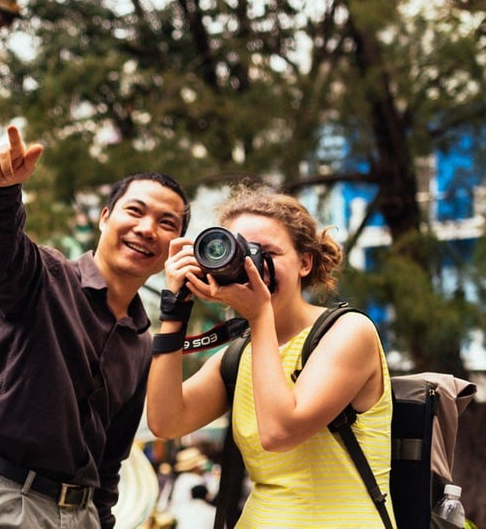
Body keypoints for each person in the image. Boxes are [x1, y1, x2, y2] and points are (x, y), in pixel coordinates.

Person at [0, 125, 191, 529]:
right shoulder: (44, 277)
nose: (146, 229)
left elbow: (109, 461)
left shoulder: (142, 343)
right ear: (105, 218)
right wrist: (2, 193)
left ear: (174, 244)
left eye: (166, 223)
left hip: (80, 515)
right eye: (135, 211)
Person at [146, 184, 395, 527]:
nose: (252, 266)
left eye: (267, 253)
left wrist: (260, 315)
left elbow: (279, 432)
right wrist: (174, 311)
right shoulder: (239, 355)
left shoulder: (348, 332)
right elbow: (165, 421)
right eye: (240, 254)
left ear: (305, 262)